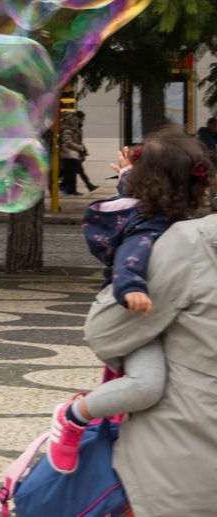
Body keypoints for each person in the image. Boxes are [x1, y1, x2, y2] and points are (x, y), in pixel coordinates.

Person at [47, 124, 210, 477]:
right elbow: (131, 257)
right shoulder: (152, 221)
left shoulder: (149, 203)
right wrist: (132, 288)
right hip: (134, 310)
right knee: (147, 386)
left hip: (159, 309)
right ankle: (74, 416)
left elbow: (130, 189)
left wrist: (127, 173)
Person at [84, 172, 217, 516]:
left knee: (145, 381)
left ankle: (73, 415)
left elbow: (104, 330)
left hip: (182, 457)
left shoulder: (190, 241)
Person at [58, 110, 93, 195]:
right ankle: (69, 188)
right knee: (71, 173)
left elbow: (78, 141)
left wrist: (83, 149)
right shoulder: (68, 130)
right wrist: (80, 148)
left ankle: (68, 188)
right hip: (69, 154)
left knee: (70, 172)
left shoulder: (75, 130)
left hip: (73, 154)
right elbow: (68, 142)